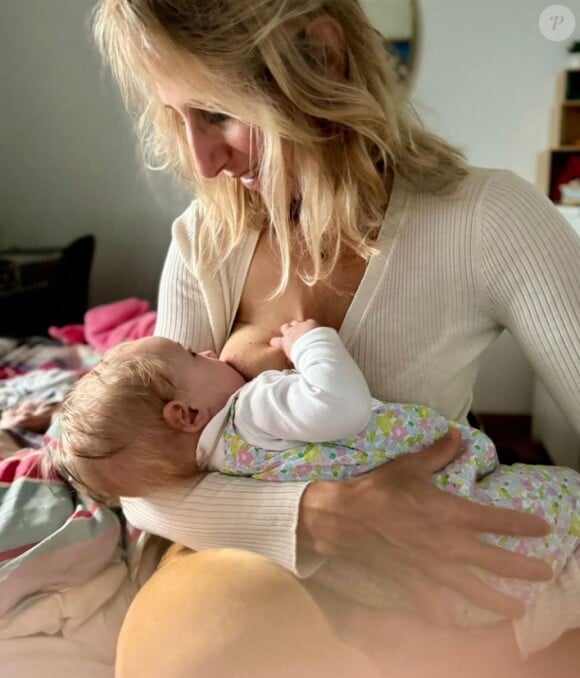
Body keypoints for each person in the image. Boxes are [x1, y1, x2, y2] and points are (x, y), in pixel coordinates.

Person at [90, 0, 580, 675]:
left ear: (322, 56)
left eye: (218, 113)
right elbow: (144, 484)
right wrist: (320, 513)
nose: (201, 163)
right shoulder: (204, 240)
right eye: (177, 118)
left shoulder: (486, 219)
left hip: (419, 586)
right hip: (232, 577)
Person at [52, 319, 580, 658]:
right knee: (565, 498)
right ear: (186, 413)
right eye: (195, 355)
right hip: (459, 495)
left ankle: (528, 624)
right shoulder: (252, 410)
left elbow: (141, 497)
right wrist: (311, 343)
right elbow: (340, 405)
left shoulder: (214, 463)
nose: (211, 349)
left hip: (390, 574)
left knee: (525, 584)